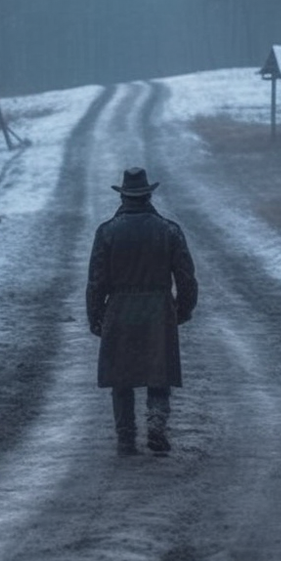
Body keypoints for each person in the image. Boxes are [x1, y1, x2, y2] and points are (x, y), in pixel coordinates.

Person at [86, 167, 198, 456]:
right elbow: (186, 277)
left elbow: (96, 281)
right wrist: (182, 310)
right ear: (148, 195)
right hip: (159, 309)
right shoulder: (169, 230)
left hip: (120, 310)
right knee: (158, 374)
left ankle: (125, 437)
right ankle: (157, 427)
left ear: (123, 196)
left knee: (120, 378)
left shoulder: (107, 231)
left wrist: (95, 316)